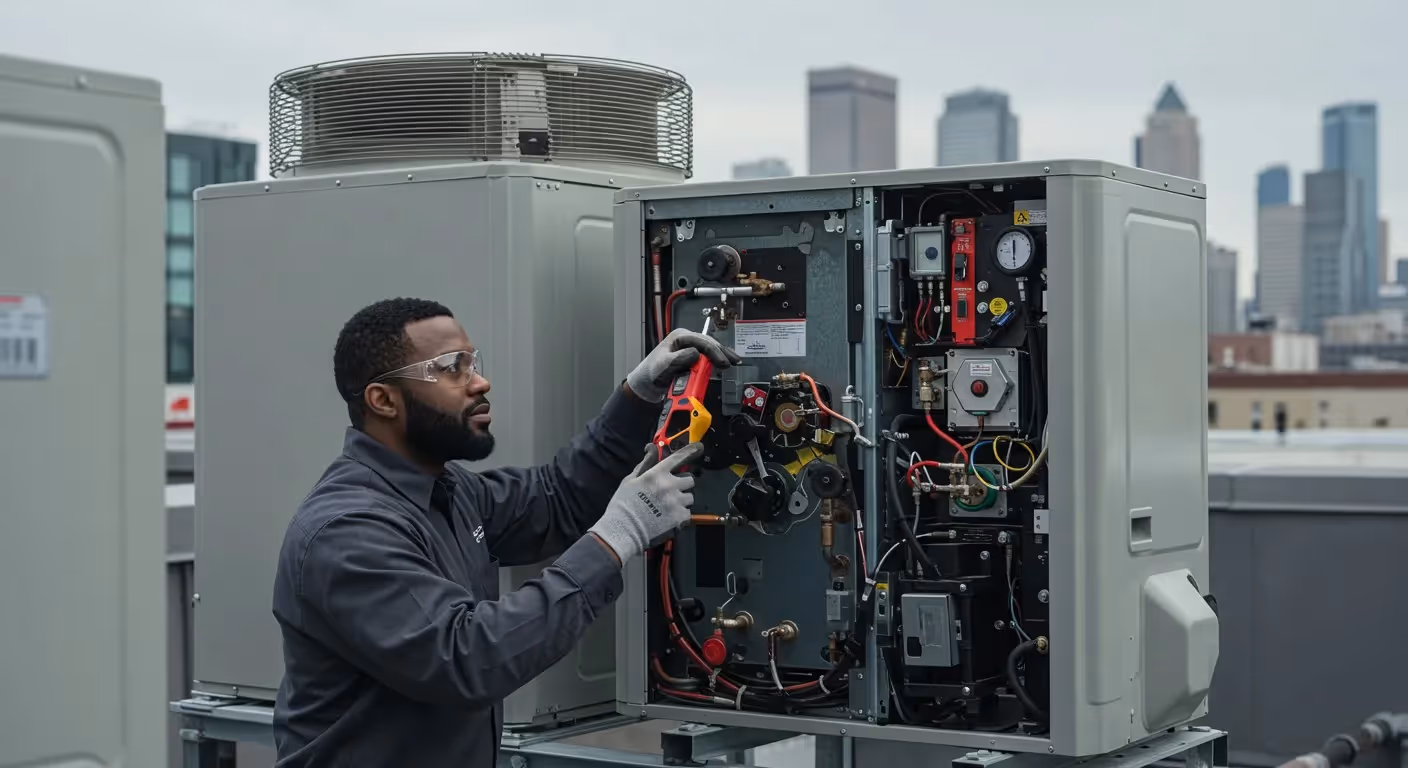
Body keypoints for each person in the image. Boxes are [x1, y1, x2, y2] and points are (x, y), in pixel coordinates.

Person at [270, 297, 740, 767]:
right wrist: (620, 534)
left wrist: (639, 395)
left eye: (473, 362)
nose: (480, 382)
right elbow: (464, 658)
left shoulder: (450, 491)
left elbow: (557, 499)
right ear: (383, 400)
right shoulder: (347, 531)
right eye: (451, 368)